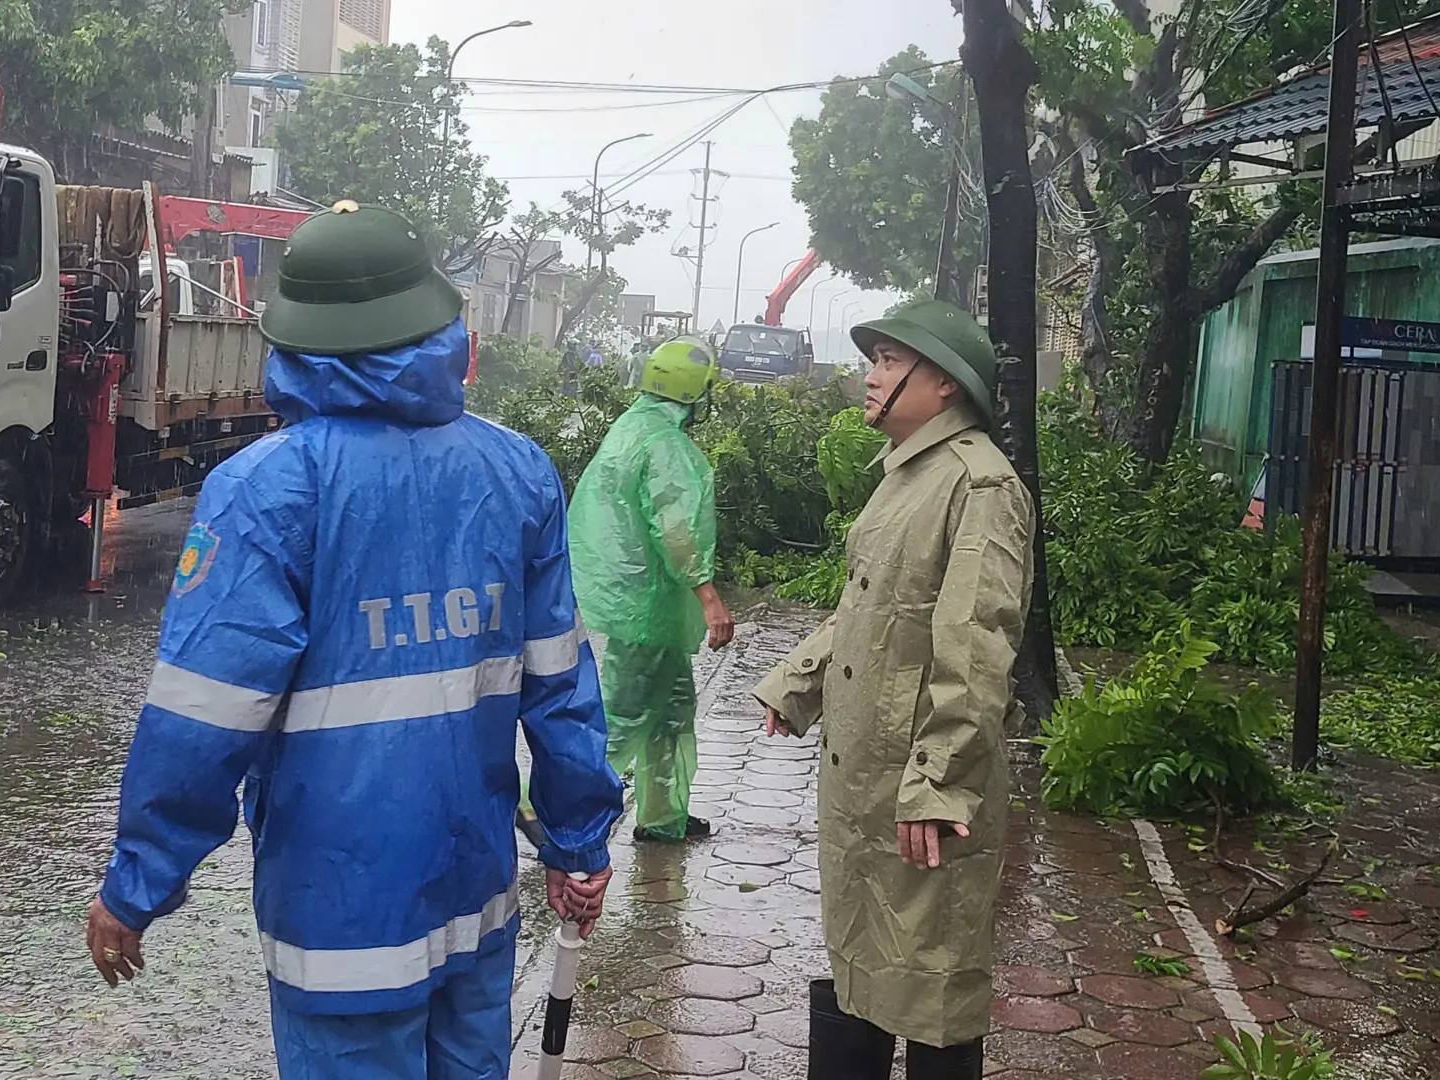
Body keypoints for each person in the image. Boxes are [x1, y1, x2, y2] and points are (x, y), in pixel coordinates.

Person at [85, 201, 625, 1080]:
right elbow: (560, 682)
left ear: (294, 340)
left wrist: (135, 886)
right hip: (475, 899)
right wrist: (579, 842)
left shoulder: (266, 490)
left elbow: (204, 719)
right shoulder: (516, 469)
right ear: (440, 326)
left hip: (341, 922)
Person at [753, 299, 1033, 1080]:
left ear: (943, 383)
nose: (869, 378)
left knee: (932, 983)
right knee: (864, 964)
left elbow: (977, 644)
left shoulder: (978, 486)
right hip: (867, 773)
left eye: (886, 362)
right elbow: (872, 606)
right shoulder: (911, 472)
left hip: (920, 781)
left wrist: (942, 782)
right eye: (873, 360)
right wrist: (799, 681)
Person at [568, 336, 735, 843]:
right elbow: (676, 531)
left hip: (640, 601)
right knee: (627, 716)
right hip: (649, 605)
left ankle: (664, 818)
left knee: (671, 711)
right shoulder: (666, 446)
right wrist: (710, 600)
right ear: (694, 394)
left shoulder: (632, 427)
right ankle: (546, 805)